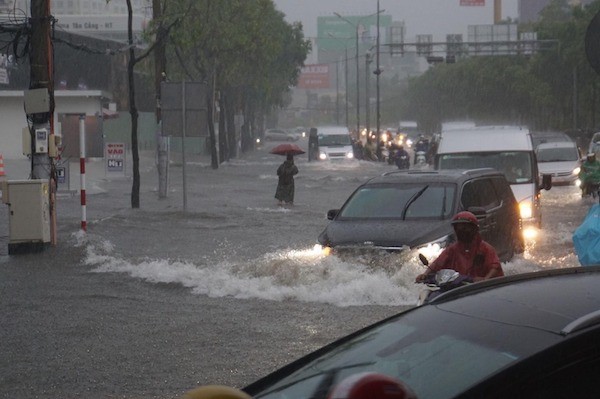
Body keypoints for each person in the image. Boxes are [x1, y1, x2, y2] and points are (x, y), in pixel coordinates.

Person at [415, 211, 504, 283]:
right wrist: (425, 274)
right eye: (459, 228)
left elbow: (495, 268)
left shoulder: (486, 249)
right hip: (457, 288)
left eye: (465, 228)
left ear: (474, 229)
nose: (462, 231)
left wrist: (485, 280)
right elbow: (437, 264)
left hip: (480, 289)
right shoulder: (452, 249)